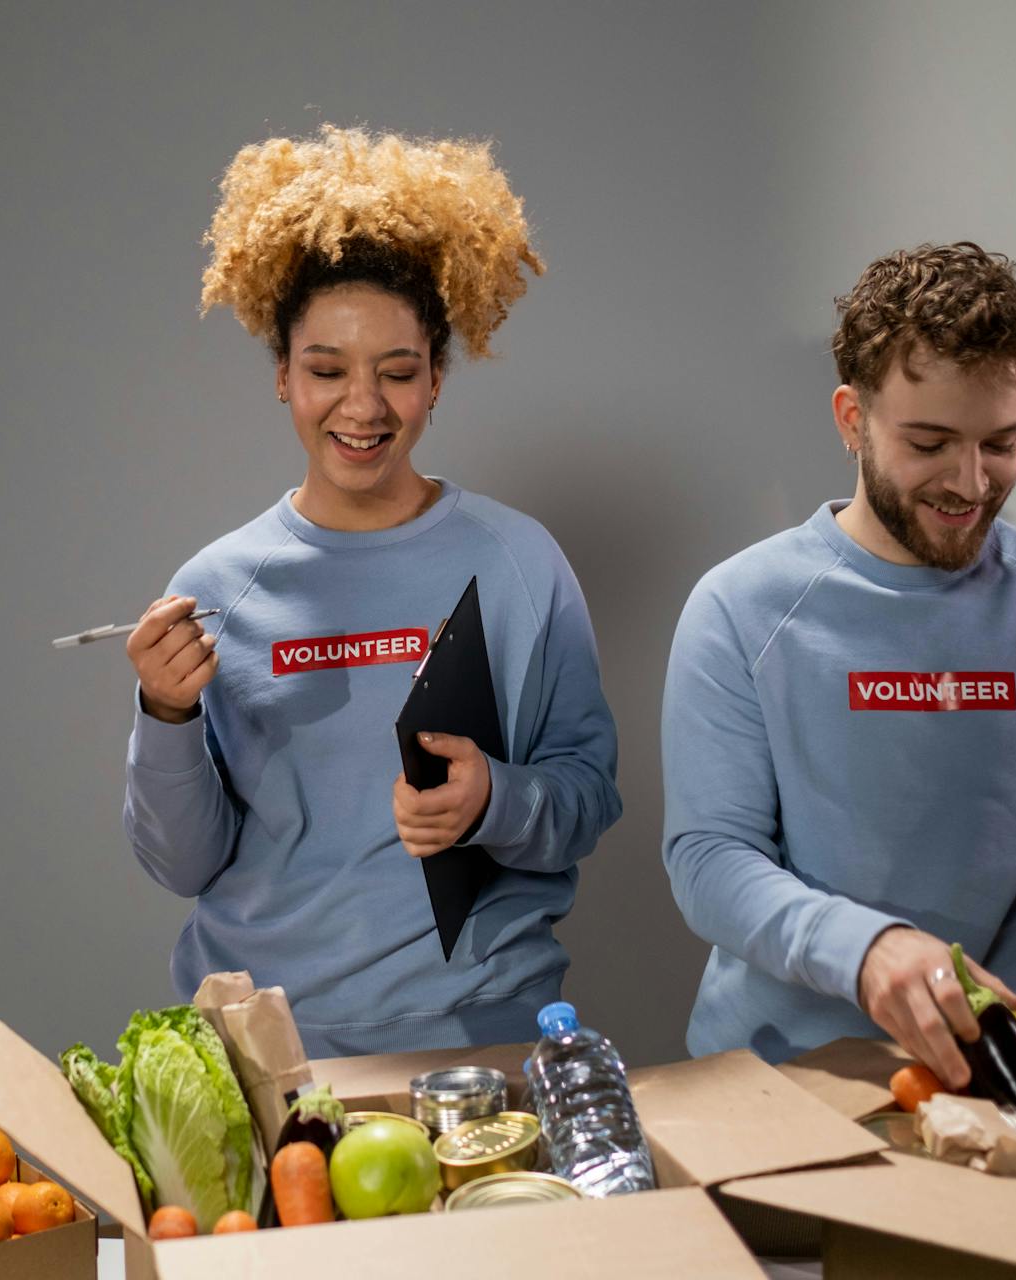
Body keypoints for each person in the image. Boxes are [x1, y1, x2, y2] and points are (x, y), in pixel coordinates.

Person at [122, 127, 622, 1057]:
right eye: (326, 371)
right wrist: (165, 713)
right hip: (267, 1054)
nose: (364, 407)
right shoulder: (216, 589)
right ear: (281, 377)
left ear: (436, 377)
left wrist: (494, 802)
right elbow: (181, 861)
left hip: (485, 1038)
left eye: (397, 372)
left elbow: (588, 797)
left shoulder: (519, 561)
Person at [662, 242, 1016, 1084]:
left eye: (1001, 444)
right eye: (931, 442)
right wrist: (869, 950)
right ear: (850, 418)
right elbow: (709, 863)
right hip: (780, 1080)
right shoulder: (741, 608)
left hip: (1003, 1075)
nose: (970, 482)